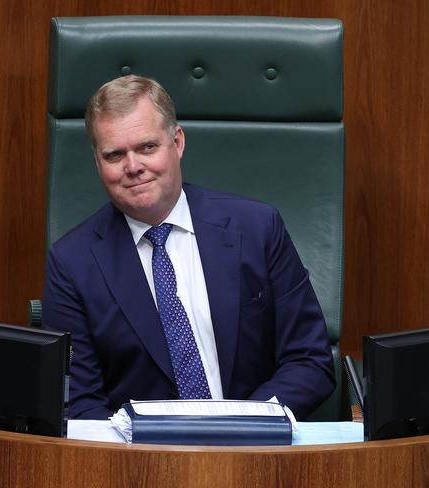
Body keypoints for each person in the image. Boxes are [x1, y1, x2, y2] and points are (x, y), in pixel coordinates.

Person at [42, 74, 335, 420]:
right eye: (114, 154)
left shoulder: (257, 229)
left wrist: (244, 425)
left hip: (257, 451)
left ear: (177, 142)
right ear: (97, 163)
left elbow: (309, 360)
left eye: (147, 147)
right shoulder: (71, 263)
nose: (133, 166)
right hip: (139, 461)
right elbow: (78, 402)